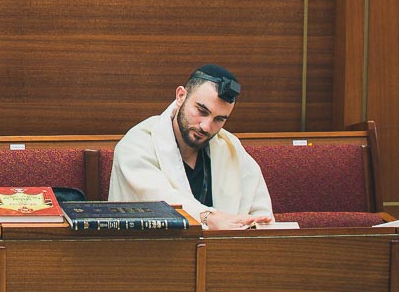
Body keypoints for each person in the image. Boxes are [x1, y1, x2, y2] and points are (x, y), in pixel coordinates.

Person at [108, 65, 274, 229]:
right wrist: (208, 218)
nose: (206, 127)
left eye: (219, 120)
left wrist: (253, 226)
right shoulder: (136, 144)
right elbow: (159, 204)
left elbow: (260, 216)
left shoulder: (230, 147)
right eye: (202, 111)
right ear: (181, 96)